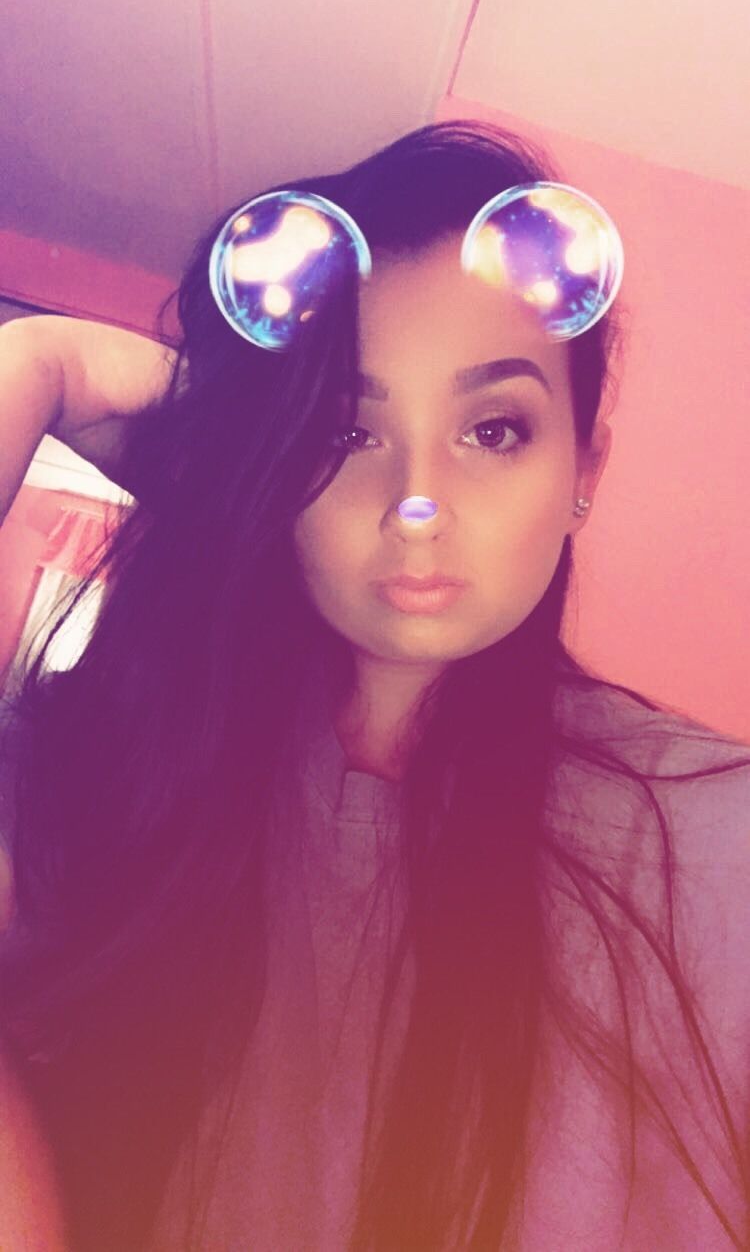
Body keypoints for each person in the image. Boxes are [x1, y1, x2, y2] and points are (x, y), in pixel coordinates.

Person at [0, 119, 748, 1251]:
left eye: (493, 428)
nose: (417, 505)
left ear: (582, 469)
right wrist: (40, 365)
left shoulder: (717, 845)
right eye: (348, 433)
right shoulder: (110, 774)